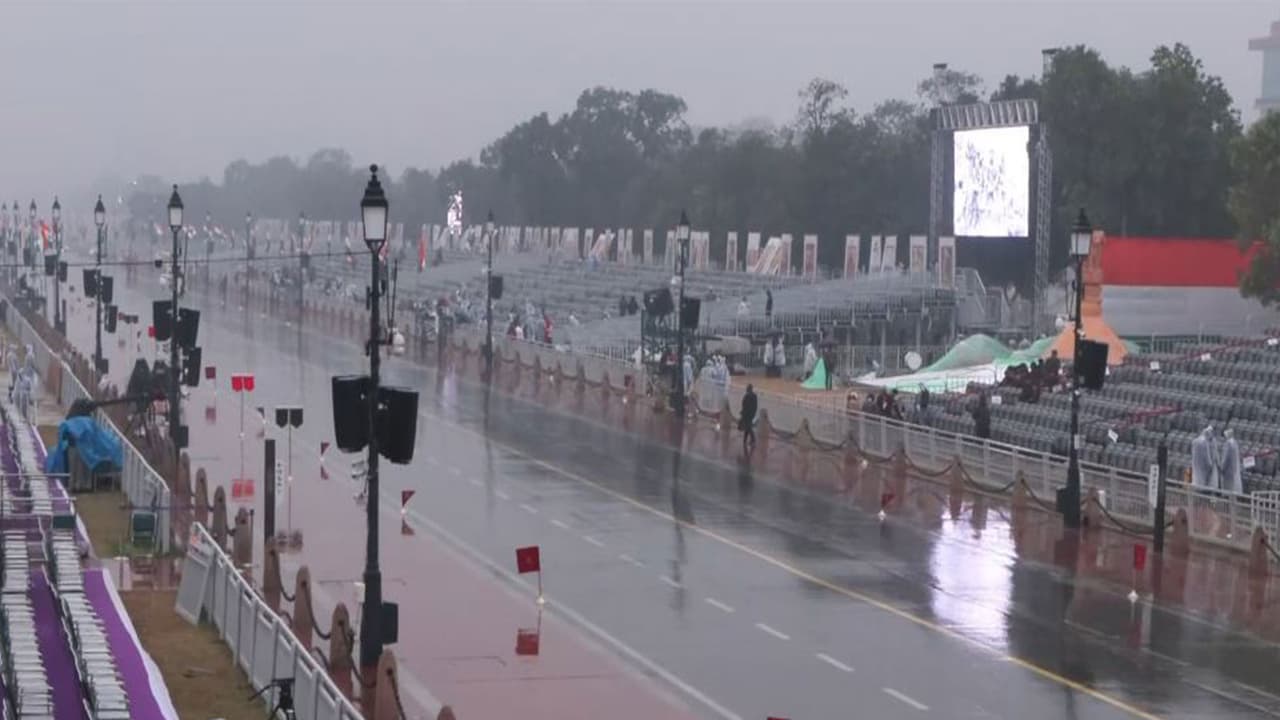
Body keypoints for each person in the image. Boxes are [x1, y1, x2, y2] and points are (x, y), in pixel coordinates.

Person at [739, 383, 758, 455]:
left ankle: (753, 439)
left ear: (748, 389)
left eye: (747, 388)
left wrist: (743, 413)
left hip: (747, 414)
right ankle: (745, 440)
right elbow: (755, 406)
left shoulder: (747, 396)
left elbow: (745, 405)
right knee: (747, 427)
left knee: (748, 427)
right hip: (751, 414)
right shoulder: (754, 396)